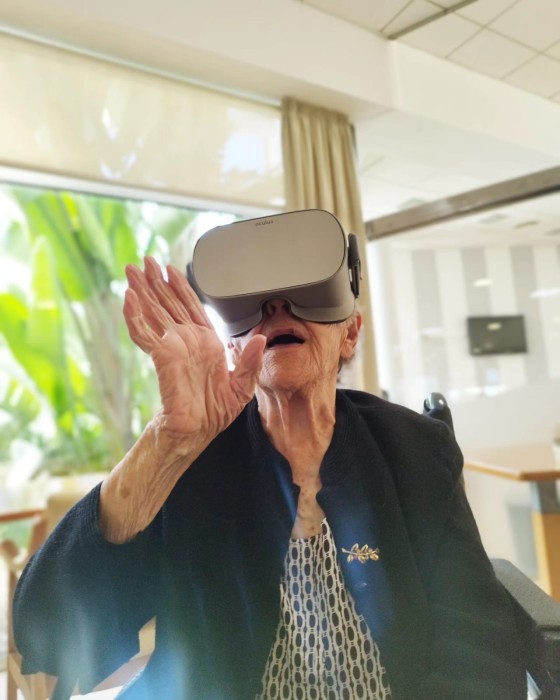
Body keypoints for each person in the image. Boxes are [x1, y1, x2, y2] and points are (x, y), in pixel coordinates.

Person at [14, 210, 526, 699]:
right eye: (253, 303)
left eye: (307, 295)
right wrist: (166, 444)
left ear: (350, 334)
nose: (278, 307)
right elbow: (46, 632)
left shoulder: (415, 448)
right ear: (232, 347)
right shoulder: (191, 461)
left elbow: (477, 642)